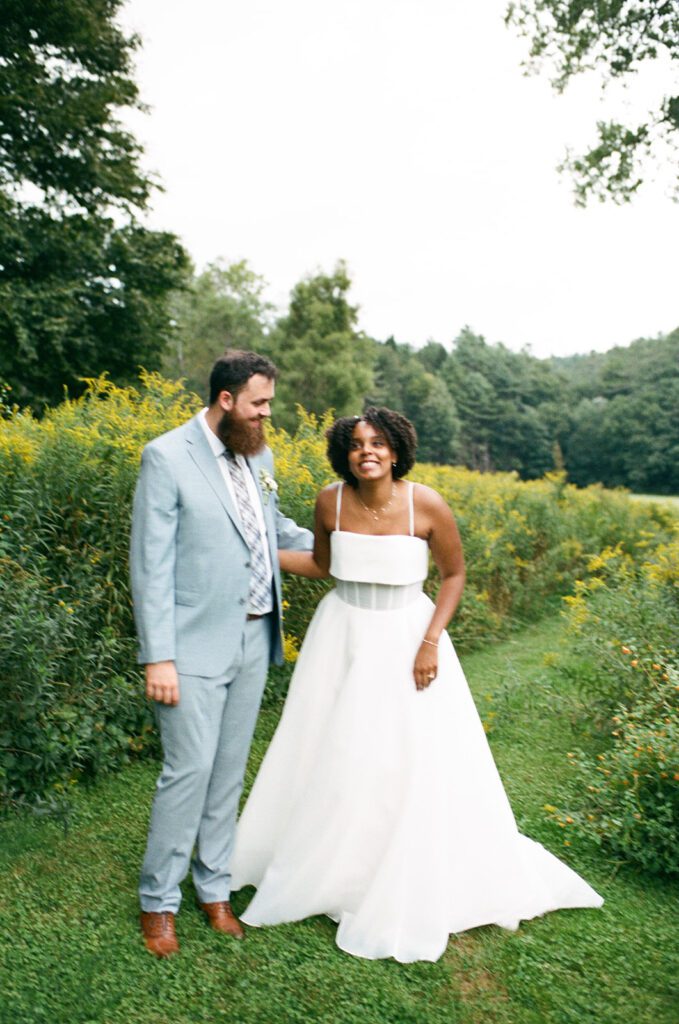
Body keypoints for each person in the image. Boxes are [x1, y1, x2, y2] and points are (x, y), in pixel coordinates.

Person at [230, 407, 603, 963]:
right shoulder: (330, 500)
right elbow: (324, 565)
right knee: (333, 747)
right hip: (341, 636)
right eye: (356, 444)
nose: (367, 452)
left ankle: (400, 862)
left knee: (404, 753)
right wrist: (254, 552)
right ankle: (333, 861)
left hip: (408, 637)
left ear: (397, 450)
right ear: (344, 453)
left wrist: (429, 642)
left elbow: (454, 574)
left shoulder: (425, 503)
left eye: (378, 443)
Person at [129, 349, 313, 958]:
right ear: (227, 399)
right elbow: (150, 566)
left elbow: (274, 529)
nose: (266, 417)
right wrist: (159, 657)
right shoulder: (166, 457)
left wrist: (353, 537)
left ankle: (214, 888)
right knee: (188, 771)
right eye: (260, 405)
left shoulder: (257, 455)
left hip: (257, 637)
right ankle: (159, 903)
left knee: (228, 771)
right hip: (190, 646)